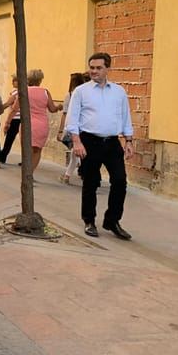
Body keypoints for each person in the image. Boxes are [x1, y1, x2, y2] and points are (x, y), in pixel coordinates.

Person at [65, 52, 134, 240]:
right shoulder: (81, 91)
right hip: (89, 142)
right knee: (91, 182)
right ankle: (89, 220)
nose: (94, 71)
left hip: (112, 143)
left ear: (107, 69)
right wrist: (77, 142)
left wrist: (128, 141)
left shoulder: (119, 92)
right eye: (92, 67)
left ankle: (112, 220)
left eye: (98, 68)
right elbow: (72, 119)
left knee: (120, 181)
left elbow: (125, 116)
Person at [25, 69, 62, 177]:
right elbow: (52, 108)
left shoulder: (24, 91)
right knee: (37, 150)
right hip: (41, 124)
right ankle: (30, 173)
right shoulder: (45, 92)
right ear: (40, 80)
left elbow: (16, 107)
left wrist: (8, 121)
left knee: (27, 149)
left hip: (27, 124)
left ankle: (26, 172)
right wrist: (59, 107)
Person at [57, 72, 87, 184]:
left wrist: (61, 130)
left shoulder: (69, 95)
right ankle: (68, 174)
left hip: (72, 127)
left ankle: (67, 176)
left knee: (75, 151)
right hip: (83, 126)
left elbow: (65, 114)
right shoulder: (85, 93)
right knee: (75, 152)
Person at [0, 74, 21, 163]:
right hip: (22, 119)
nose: (12, 82)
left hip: (15, 118)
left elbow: (9, 103)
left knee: (9, 138)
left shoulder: (16, 92)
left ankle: (2, 156)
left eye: (14, 80)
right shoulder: (25, 91)